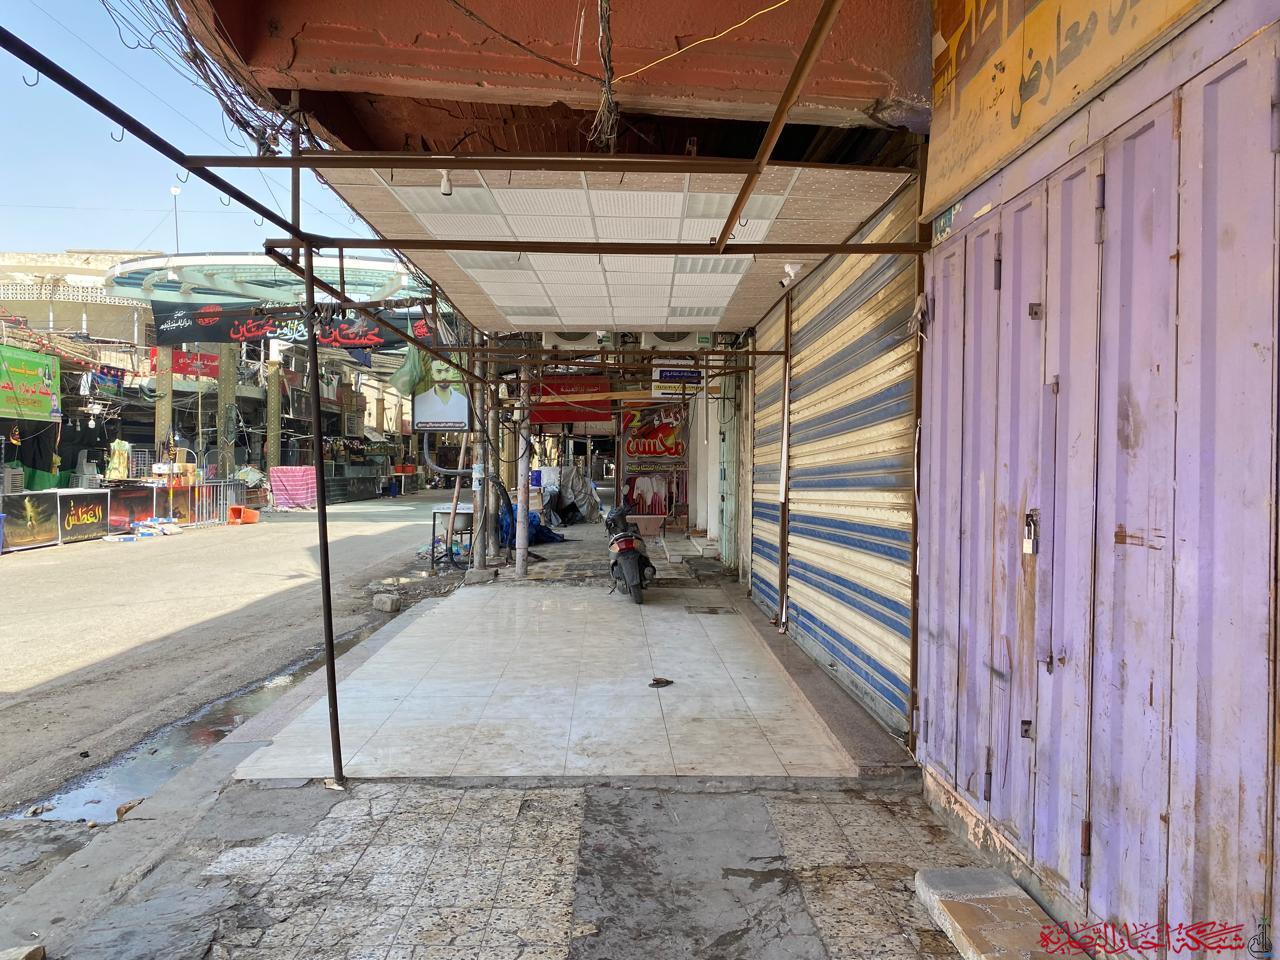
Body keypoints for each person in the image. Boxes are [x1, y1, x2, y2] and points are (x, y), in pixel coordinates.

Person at [412, 355, 468, 429]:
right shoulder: (420, 401)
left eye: (447, 371)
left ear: (452, 372)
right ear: (432, 374)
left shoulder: (462, 401)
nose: (443, 376)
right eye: (438, 372)